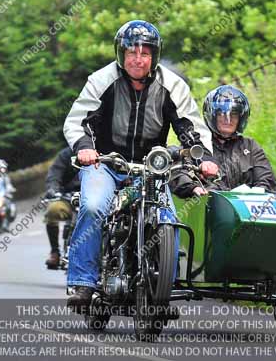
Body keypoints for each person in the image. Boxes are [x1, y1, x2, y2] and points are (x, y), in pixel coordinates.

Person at [62, 19, 219, 310]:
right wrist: (86, 149)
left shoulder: (172, 85)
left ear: (154, 56)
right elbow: (77, 122)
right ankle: (83, 282)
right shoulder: (101, 80)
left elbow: (191, 127)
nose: (138, 58)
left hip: (152, 167)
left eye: (145, 53)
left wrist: (205, 158)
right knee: (94, 205)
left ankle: (162, 291)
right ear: (120, 54)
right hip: (106, 162)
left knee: (168, 220)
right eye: (131, 52)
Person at [171, 85, 276, 198]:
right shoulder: (197, 146)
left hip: (246, 210)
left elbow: (267, 181)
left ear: (241, 118)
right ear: (212, 115)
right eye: (222, 114)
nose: (228, 120)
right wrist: (193, 188)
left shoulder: (250, 147)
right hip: (209, 209)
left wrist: (257, 195)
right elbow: (177, 173)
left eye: (234, 115)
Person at [43, 146, 81, 269]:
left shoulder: (104, 153)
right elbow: (54, 174)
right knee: (53, 210)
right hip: (68, 199)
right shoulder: (66, 154)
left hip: (93, 200)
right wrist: (53, 189)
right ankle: (55, 252)